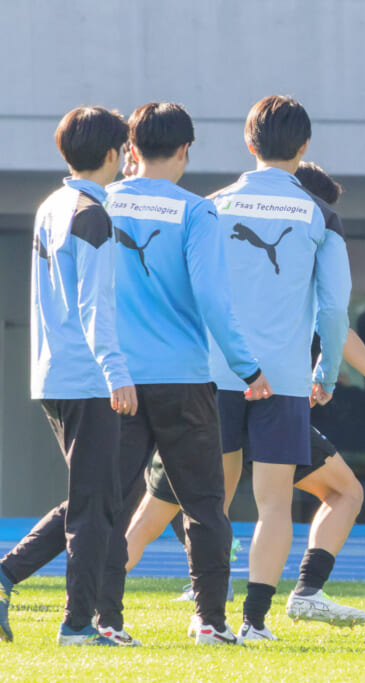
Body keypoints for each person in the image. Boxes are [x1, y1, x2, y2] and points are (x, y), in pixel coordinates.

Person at [124, 162, 365, 644]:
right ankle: (237, 612)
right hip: (270, 388)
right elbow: (334, 318)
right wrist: (362, 382)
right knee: (179, 513)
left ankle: (283, 594)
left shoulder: (215, 208)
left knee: (326, 493)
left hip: (220, 386)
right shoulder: (308, 224)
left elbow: (331, 323)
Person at [101, 102, 273, 646]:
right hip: (182, 379)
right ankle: (210, 621)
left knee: (110, 503)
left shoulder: (102, 201)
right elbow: (213, 299)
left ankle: (105, 619)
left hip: (118, 379)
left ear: (130, 149)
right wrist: (248, 367)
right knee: (203, 505)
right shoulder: (197, 211)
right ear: (185, 150)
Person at [206, 97, 354, 640]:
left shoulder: (211, 207)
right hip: (286, 379)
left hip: (216, 373)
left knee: (213, 503)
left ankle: (208, 618)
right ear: (305, 145)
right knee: (274, 504)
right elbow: (334, 308)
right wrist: (326, 372)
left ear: (249, 143)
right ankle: (254, 622)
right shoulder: (320, 215)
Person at [0, 107, 137, 646]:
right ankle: (77, 624)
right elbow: (94, 305)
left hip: (56, 374)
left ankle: (10, 576)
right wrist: (116, 372)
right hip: (88, 377)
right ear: (112, 153)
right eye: (124, 148)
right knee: (93, 507)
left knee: (95, 498)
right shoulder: (92, 214)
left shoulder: (51, 205)